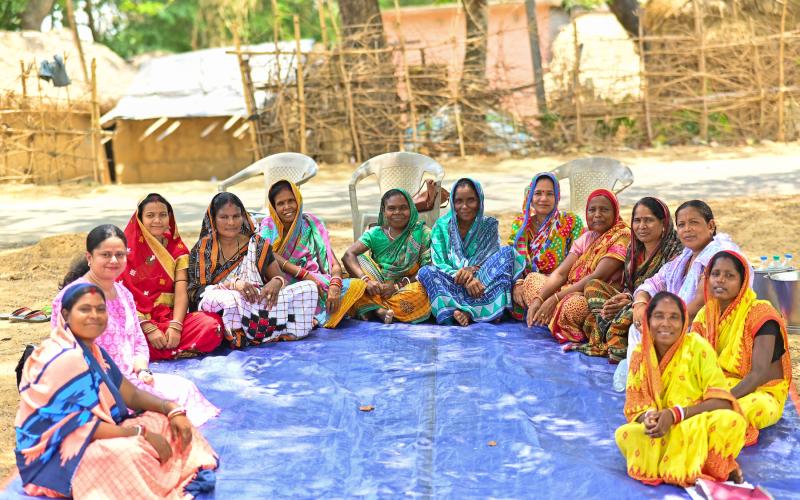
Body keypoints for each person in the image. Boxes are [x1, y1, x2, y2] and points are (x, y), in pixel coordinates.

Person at [16, 283, 218, 498]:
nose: (94, 316)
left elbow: (129, 394)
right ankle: (155, 483)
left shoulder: (94, 350)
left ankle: (164, 479)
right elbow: (83, 427)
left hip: (98, 431)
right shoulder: (62, 358)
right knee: (126, 453)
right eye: (85, 309)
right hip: (56, 455)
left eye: (100, 309)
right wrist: (142, 433)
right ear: (65, 315)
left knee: (165, 423)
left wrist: (171, 409)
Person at [56, 224, 219, 426]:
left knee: (185, 389)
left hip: (131, 379)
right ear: (89, 257)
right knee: (160, 414)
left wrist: (142, 370)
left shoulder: (123, 294)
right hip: (91, 385)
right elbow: (65, 351)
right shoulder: (71, 297)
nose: (113, 261)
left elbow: (138, 340)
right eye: (105, 255)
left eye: (120, 255)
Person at [615, 291, 746, 487]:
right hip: (661, 428)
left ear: (684, 322)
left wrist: (676, 415)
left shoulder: (698, 347)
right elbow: (635, 406)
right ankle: (700, 466)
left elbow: (723, 401)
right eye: (659, 316)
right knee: (625, 434)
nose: (666, 323)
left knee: (731, 421)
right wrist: (650, 418)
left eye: (674, 317)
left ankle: (694, 464)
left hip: (694, 420)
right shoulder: (639, 354)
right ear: (648, 321)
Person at [617, 200, 746, 389]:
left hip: (707, 326)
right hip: (684, 320)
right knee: (638, 323)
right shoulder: (686, 256)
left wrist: (665, 321)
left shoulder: (720, 255)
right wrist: (640, 304)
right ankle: (647, 381)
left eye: (693, 222)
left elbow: (702, 302)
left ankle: (653, 383)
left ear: (710, 226)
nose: (687, 229)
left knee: (646, 327)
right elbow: (653, 282)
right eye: (682, 225)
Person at [188, 192, 318, 349]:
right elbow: (195, 293)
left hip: (256, 305)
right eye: (224, 217)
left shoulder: (257, 245)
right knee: (230, 300)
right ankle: (246, 332)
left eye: (236, 216)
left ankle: (258, 332)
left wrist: (276, 282)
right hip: (226, 305)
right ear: (213, 219)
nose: (231, 222)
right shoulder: (203, 249)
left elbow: (280, 279)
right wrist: (233, 285)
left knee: (308, 288)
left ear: (243, 217)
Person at [692, 250, 792, 446]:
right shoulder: (705, 315)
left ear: (743, 281)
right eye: (716, 274)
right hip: (720, 385)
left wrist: (721, 400)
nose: (720, 280)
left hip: (760, 393)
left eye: (729, 276)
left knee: (734, 413)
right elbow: (691, 359)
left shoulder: (761, 313)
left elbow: (758, 374)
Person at [570, 197, 682, 362]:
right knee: (593, 286)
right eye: (637, 220)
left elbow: (669, 292)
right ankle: (611, 333)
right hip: (632, 299)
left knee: (620, 319)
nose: (641, 226)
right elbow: (630, 286)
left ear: (663, 223)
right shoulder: (634, 249)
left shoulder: (674, 251)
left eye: (649, 220)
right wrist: (623, 297)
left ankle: (614, 343)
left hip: (653, 307)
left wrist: (631, 302)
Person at [516, 189, 630, 343]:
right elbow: (561, 273)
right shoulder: (587, 237)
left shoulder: (621, 236)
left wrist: (555, 299)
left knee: (571, 307)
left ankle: (555, 318)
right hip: (570, 289)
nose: (597, 214)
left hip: (594, 297)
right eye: (592, 210)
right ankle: (554, 318)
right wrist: (540, 299)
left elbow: (597, 277)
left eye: (604, 210)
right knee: (532, 280)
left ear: (615, 212)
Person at [121, 193, 223, 360]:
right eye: (150, 215)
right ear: (139, 219)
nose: (157, 220)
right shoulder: (125, 252)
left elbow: (181, 291)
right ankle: (174, 350)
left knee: (213, 325)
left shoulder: (178, 250)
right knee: (118, 334)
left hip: (169, 320)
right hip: (136, 321)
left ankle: (153, 352)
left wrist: (176, 327)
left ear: (170, 217)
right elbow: (119, 296)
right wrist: (147, 327)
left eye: (162, 215)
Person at [417, 178, 525, 326]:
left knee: (508, 253)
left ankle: (466, 312)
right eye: (459, 201)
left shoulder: (489, 225)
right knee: (426, 272)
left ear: (479, 201)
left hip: (481, 283)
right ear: (453, 203)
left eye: (471, 200)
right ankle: (483, 311)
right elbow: (439, 262)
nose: (464, 206)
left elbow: (491, 259)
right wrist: (465, 278)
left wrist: (472, 271)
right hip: (453, 281)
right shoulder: (441, 226)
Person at [259, 180, 365, 328]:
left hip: (319, 281)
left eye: (291, 201)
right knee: (294, 292)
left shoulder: (312, 223)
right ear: (274, 207)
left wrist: (335, 284)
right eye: (281, 203)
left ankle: (313, 313)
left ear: (299, 201)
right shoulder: (269, 225)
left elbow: (334, 264)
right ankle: (317, 314)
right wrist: (304, 274)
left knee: (356, 285)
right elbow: (265, 251)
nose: (287, 207)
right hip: (284, 282)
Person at [342, 188, 432, 324]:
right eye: (391, 208)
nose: (397, 212)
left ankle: (372, 308)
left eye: (403, 208)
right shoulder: (375, 233)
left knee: (421, 292)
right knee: (358, 265)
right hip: (377, 286)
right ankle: (379, 311)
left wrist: (397, 286)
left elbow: (429, 268)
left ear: (412, 209)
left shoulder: (423, 233)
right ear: (384, 211)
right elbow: (348, 255)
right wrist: (367, 281)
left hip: (408, 286)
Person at [507, 172, 585, 319]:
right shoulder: (521, 225)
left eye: (550, 193)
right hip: (528, 285)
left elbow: (578, 262)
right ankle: (551, 317)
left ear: (557, 197)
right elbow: (513, 258)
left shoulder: (571, 222)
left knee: (574, 305)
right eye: (538, 193)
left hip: (561, 286)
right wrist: (517, 283)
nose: (544, 199)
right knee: (522, 281)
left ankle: (550, 315)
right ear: (530, 196)